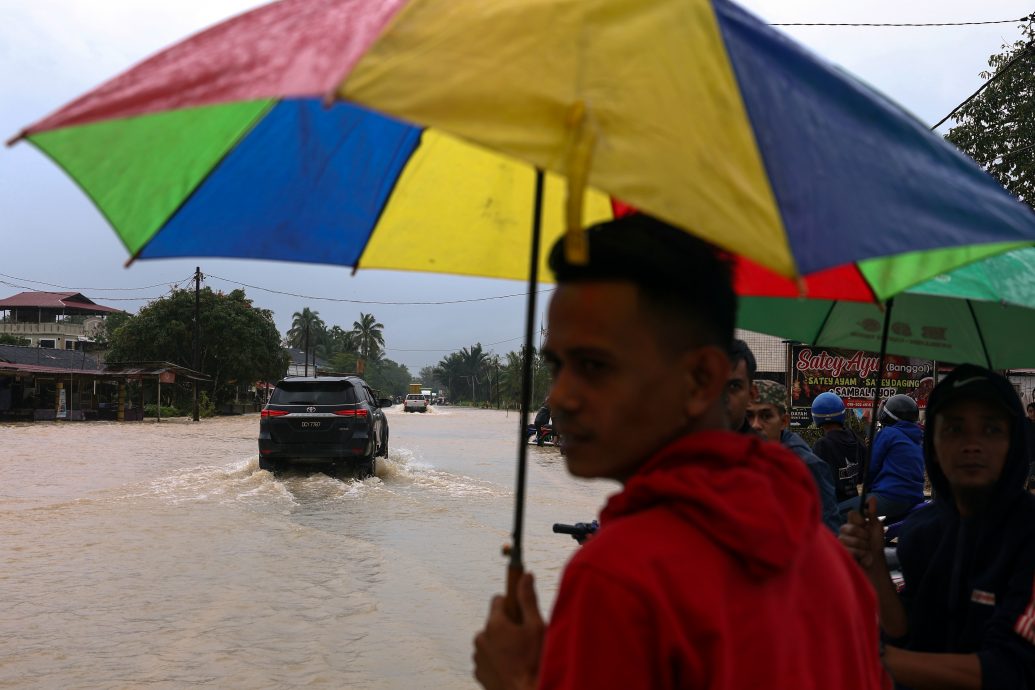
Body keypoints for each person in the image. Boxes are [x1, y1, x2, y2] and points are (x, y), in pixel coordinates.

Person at [472, 214, 886, 690]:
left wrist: (518, 681)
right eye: (557, 366)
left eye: (593, 365)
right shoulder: (828, 562)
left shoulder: (616, 580)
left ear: (700, 380)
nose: (561, 397)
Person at [839, 364, 1035, 689]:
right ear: (932, 443)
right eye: (955, 429)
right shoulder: (921, 530)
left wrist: (876, 659)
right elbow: (904, 631)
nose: (972, 444)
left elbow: (1010, 669)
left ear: (1013, 443)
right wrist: (873, 562)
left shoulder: (1027, 533)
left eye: (990, 429)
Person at [747, 380, 841, 532]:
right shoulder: (740, 455)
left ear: (784, 421)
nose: (755, 425)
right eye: (749, 416)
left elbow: (828, 532)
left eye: (766, 416)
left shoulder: (806, 466)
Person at [839, 394, 925, 523]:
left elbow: (871, 467)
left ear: (888, 414)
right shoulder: (918, 438)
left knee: (835, 513)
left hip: (890, 498)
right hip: (914, 498)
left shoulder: (888, 434)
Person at [811, 391, 865, 503]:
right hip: (854, 503)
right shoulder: (856, 439)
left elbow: (813, 480)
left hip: (832, 507)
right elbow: (862, 474)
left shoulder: (821, 446)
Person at [726, 338, 758, 434]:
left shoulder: (760, 449)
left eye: (733, 386)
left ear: (751, 394)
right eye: (713, 385)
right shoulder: (681, 446)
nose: (721, 397)